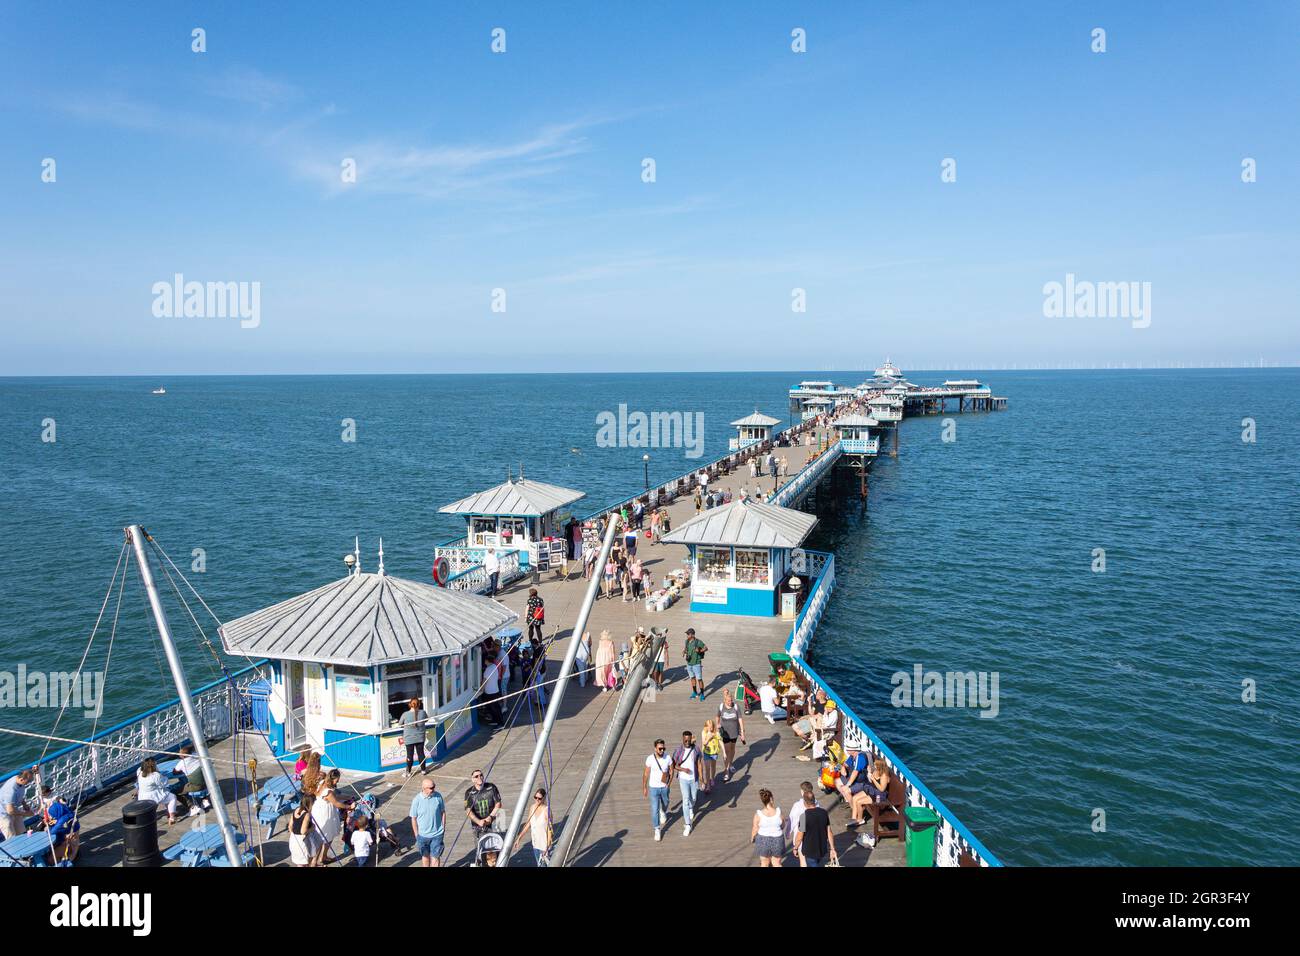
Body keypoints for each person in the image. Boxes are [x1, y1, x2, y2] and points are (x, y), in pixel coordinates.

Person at [312, 769, 351, 865]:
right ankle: (316, 861)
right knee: (325, 836)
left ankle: (323, 857)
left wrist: (348, 797)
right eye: (336, 780)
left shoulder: (322, 782)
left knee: (324, 836)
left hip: (318, 810)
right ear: (333, 778)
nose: (337, 782)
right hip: (325, 814)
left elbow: (336, 797)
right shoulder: (328, 792)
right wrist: (349, 806)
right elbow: (337, 803)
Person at [409, 777, 446, 867]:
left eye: (434, 787)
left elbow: (443, 812)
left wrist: (443, 828)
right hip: (422, 836)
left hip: (437, 834)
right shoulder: (416, 800)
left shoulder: (438, 796)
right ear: (424, 789)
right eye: (431, 788)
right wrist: (417, 835)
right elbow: (413, 818)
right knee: (425, 858)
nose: (433, 789)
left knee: (436, 858)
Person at [794, 790, 838, 867]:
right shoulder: (824, 813)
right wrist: (832, 849)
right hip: (821, 849)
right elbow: (829, 832)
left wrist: (795, 847)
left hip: (810, 851)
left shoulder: (803, 817)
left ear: (805, 802)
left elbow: (800, 836)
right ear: (814, 799)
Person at [642, 739, 672, 841]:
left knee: (666, 802)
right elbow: (646, 773)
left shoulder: (668, 757)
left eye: (663, 748)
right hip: (653, 787)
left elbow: (671, 770)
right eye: (660, 749)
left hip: (664, 787)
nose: (662, 750)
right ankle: (657, 829)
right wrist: (644, 787)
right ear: (655, 749)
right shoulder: (650, 759)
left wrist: (669, 783)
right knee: (654, 809)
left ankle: (663, 811)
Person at [671, 731, 701, 837]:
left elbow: (699, 763)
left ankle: (691, 808)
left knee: (693, 798)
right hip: (683, 779)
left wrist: (702, 777)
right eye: (685, 740)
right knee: (685, 800)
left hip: (694, 778)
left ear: (691, 738)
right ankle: (688, 824)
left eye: (689, 740)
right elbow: (673, 765)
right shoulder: (678, 750)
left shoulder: (696, 749)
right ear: (682, 739)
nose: (687, 742)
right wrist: (683, 769)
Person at [513, 787, 552, 866]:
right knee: (539, 864)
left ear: (544, 798)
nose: (537, 800)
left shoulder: (547, 811)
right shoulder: (532, 807)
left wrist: (547, 847)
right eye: (535, 797)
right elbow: (528, 824)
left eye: (539, 798)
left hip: (544, 845)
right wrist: (519, 838)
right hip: (535, 844)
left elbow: (550, 830)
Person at [135, 758, 178, 825]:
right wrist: (161, 775)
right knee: (172, 797)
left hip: (142, 795)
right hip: (153, 796)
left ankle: (168, 811)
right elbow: (164, 783)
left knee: (166, 794)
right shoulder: (155, 775)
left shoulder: (139, 771)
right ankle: (172, 817)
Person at [716, 689, 745, 782]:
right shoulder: (721, 707)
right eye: (728, 701)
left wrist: (742, 732)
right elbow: (717, 717)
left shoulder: (736, 707)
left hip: (734, 732)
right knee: (727, 751)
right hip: (725, 733)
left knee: (732, 749)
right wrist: (717, 725)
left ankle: (731, 764)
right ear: (725, 701)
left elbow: (740, 719)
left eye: (731, 700)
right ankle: (726, 770)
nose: (730, 702)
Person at [751, 789, 785, 867]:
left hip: (763, 840)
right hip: (777, 839)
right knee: (777, 863)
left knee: (764, 863)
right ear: (771, 799)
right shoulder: (778, 812)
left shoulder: (758, 814)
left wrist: (752, 838)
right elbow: (783, 825)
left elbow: (755, 829)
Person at [44, 793, 80, 864]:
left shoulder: (62, 821)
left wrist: (49, 825)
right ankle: (73, 855)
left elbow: (51, 832)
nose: (52, 816)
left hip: (68, 837)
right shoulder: (67, 811)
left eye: (52, 815)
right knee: (75, 846)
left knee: (50, 859)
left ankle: (68, 861)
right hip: (75, 830)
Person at [465, 770, 502, 836]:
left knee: (498, 843)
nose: (479, 777)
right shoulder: (469, 792)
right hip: (478, 824)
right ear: (473, 780)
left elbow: (498, 804)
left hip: (493, 820)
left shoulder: (491, 787)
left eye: (481, 775)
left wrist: (491, 817)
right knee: (480, 844)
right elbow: (468, 811)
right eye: (476, 776)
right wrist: (478, 822)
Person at [400, 698, 430, 778]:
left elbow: (400, 724)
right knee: (421, 753)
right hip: (420, 737)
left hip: (409, 738)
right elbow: (426, 720)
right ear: (419, 704)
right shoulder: (423, 713)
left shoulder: (405, 714)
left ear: (410, 704)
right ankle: (423, 770)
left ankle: (408, 772)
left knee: (410, 755)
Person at [1, 768, 34, 839]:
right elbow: (10, 811)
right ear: (22, 779)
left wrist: (24, 804)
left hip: (14, 808)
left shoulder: (18, 780)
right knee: (12, 838)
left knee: (21, 831)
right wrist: (26, 814)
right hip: (3, 814)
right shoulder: (10, 791)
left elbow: (19, 794)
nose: (30, 782)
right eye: (29, 781)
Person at [288, 792, 320, 866]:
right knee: (303, 863)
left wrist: (293, 835)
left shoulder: (296, 810)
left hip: (293, 839)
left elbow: (290, 826)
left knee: (299, 863)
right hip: (302, 841)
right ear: (311, 803)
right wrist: (312, 828)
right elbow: (303, 831)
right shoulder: (307, 814)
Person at [683, 628, 708, 701]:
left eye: (688, 634)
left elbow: (706, 648)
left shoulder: (698, 642)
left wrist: (700, 650)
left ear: (692, 634)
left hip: (696, 663)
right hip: (689, 663)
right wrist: (684, 651)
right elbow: (686, 649)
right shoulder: (686, 641)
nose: (687, 635)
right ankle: (694, 692)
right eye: (687, 634)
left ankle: (702, 694)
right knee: (692, 678)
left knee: (699, 679)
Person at [481, 654, 503, 726]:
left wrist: (481, 690)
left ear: (487, 660)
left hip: (490, 692)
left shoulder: (488, 669)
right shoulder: (494, 666)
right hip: (495, 690)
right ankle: (495, 720)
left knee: (493, 708)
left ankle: (500, 723)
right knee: (494, 707)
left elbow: (484, 681)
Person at [699, 719, 721, 793]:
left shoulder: (715, 732)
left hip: (714, 752)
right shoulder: (703, 732)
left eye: (711, 727)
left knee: (713, 766)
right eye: (708, 726)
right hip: (706, 752)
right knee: (707, 769)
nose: (709, 728)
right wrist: (708, 737)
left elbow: (720, 740)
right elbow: (704, 743)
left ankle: (712, 778)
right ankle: (708, 785)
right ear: (705, 726)